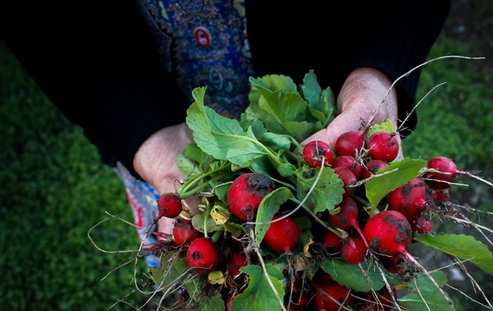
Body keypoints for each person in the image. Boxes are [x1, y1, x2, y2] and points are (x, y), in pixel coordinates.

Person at [1, 0, 450, 239]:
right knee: (189, 223)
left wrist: (374, 78)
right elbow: (41, 18)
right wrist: (150, 139)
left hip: (328, 105)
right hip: (159, 100)